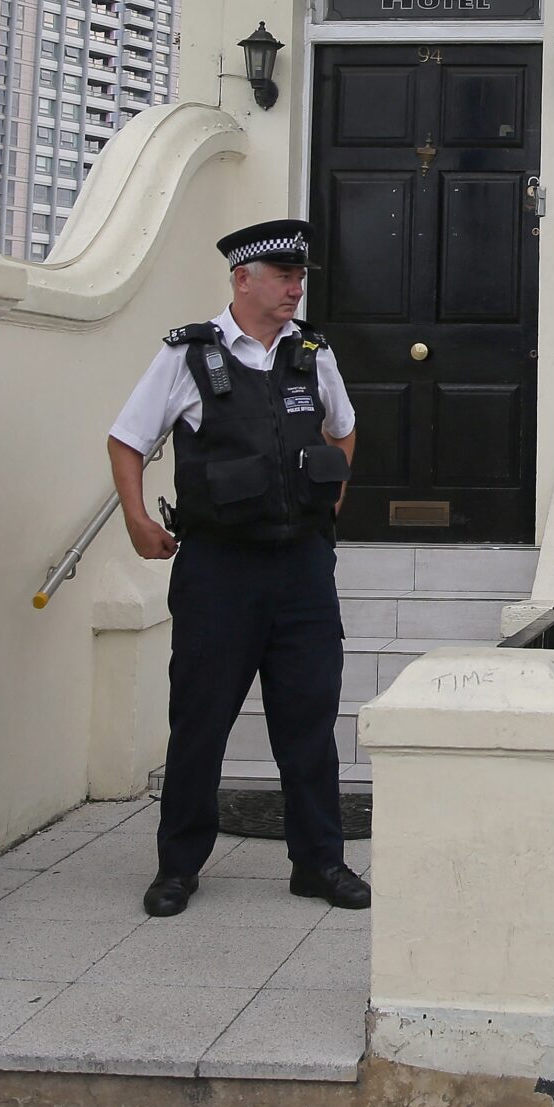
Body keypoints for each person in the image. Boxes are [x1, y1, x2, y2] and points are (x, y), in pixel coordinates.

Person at [105, 219, 372, 917]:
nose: (296, 288)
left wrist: (331, 498)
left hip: (302, 571)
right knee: (201, 722)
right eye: (284, 276)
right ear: (242, 279)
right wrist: (136, 518)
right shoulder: (189, 356)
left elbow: (343, 429)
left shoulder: (313, 353)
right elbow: (128, 438)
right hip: (219, 570)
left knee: (309, 723)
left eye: (300, 277)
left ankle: (319, 862)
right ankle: (177, 867)